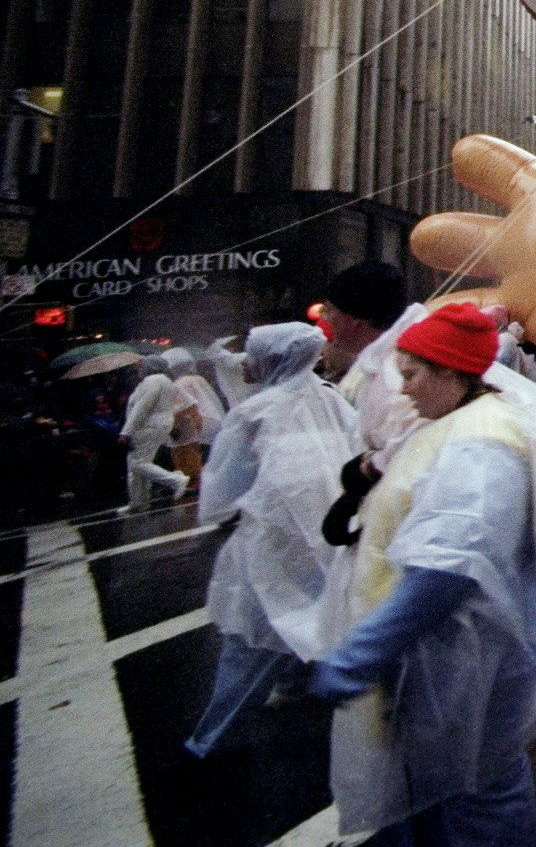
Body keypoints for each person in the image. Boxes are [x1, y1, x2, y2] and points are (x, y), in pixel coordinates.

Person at [310, 302, 536, 844]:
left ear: (452, 371)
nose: (402, 389)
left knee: (476, 799)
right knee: (451, 793)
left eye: (412, 374)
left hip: (465, 660)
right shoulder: (459, 424)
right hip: (448, 660)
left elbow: (450, 567)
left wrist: (361, 654)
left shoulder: (482, 443)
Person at [187, 322, 356, 756]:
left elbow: (221, 494)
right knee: (321, 615)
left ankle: (210, 743)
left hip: (273, 546)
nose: (244, 360)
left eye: (251, 351)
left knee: (249, 641)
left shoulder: (253, 412)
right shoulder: (333, 400)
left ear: (271, 358)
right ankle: (298, 683)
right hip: (330, 536)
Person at [324, 261, 409, 398]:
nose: (325, 319)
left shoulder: (390, 376)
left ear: (351, 320)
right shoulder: (377, 363)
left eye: (328, 310)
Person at [119, 355, 189, 510]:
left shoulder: (153, 381)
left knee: (138, 463)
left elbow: (141, 408)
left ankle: (175, 480)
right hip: (158, 426)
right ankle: (139, 502)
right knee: (139, 463)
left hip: (147, 427)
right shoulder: (164, 381)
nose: (139, 368)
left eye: (142, 365)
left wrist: (126, 432)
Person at [166, 349, 225, 492]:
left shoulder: (179, 384)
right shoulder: (198, 378)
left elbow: (182, 408)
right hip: (214, 420)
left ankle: (197, 484)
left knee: (195, 457)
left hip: (198, 424)